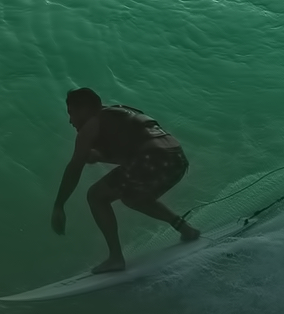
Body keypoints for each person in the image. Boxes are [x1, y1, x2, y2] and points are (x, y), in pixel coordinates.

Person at [50, 87, 200, 274]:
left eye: (71, 113)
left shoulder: (91, 124)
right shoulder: (119, 113)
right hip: (176, 159)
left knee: (96, 196)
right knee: (132, 197)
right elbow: (136, 149)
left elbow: (74, 168)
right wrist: (100, 156)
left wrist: (59, 205)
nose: (70, 121)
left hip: (153, 158)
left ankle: (115, 258)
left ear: (85, 109)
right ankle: (186, 229)